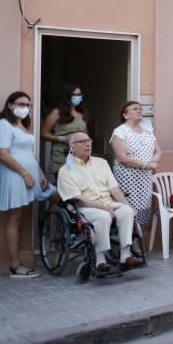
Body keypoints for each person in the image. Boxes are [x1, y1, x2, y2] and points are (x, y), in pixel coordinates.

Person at [57, 132, 141, 273]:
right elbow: (79, 199)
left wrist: (125, 204)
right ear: (72, 146)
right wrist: (104, 208)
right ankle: (100, 260)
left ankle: (125, 256)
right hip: (83, 207)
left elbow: (114, 188)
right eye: (82, 142)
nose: (87, 144)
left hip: (107, 202)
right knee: (103, 216)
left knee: (127, 211)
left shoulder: (101, 163)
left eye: (88, 140)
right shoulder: (65, 170)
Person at [0, 91, 48, 278]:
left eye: (28, 104)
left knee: (20, 217)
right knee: (15, 218)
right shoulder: (3, 125)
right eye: (20, 104)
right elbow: (2, 153)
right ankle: (15, 265)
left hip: (28, 176)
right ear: (9, 105)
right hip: (15, 175)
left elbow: (28, 153)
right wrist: (24, 173)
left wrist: (39, 172)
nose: (25, 108)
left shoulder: (22, 125)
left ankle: (17, 263)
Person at [111, 101, 161, 227]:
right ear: (125, 115)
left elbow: (158, 150)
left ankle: (138, 239)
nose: (139, 111)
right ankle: (129, 242)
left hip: (144, 179)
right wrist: (146, 164)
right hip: (128, 179)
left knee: (143, 208)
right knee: (128, 209)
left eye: (140, 108)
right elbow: (122, 157)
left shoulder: (148, 130)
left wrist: (153, 162)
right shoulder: (120, 131)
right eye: (134, 109)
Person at [41, 82, 89, 180]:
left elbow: (86, 135)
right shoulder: (57, 113)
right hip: (62, 157)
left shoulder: (82, 114)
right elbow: (43, 134)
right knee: (65, 190)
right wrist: (64, 139)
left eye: (80, 95)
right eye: (75, 95)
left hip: (80, 158)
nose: (78, 97)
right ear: (67, 96)